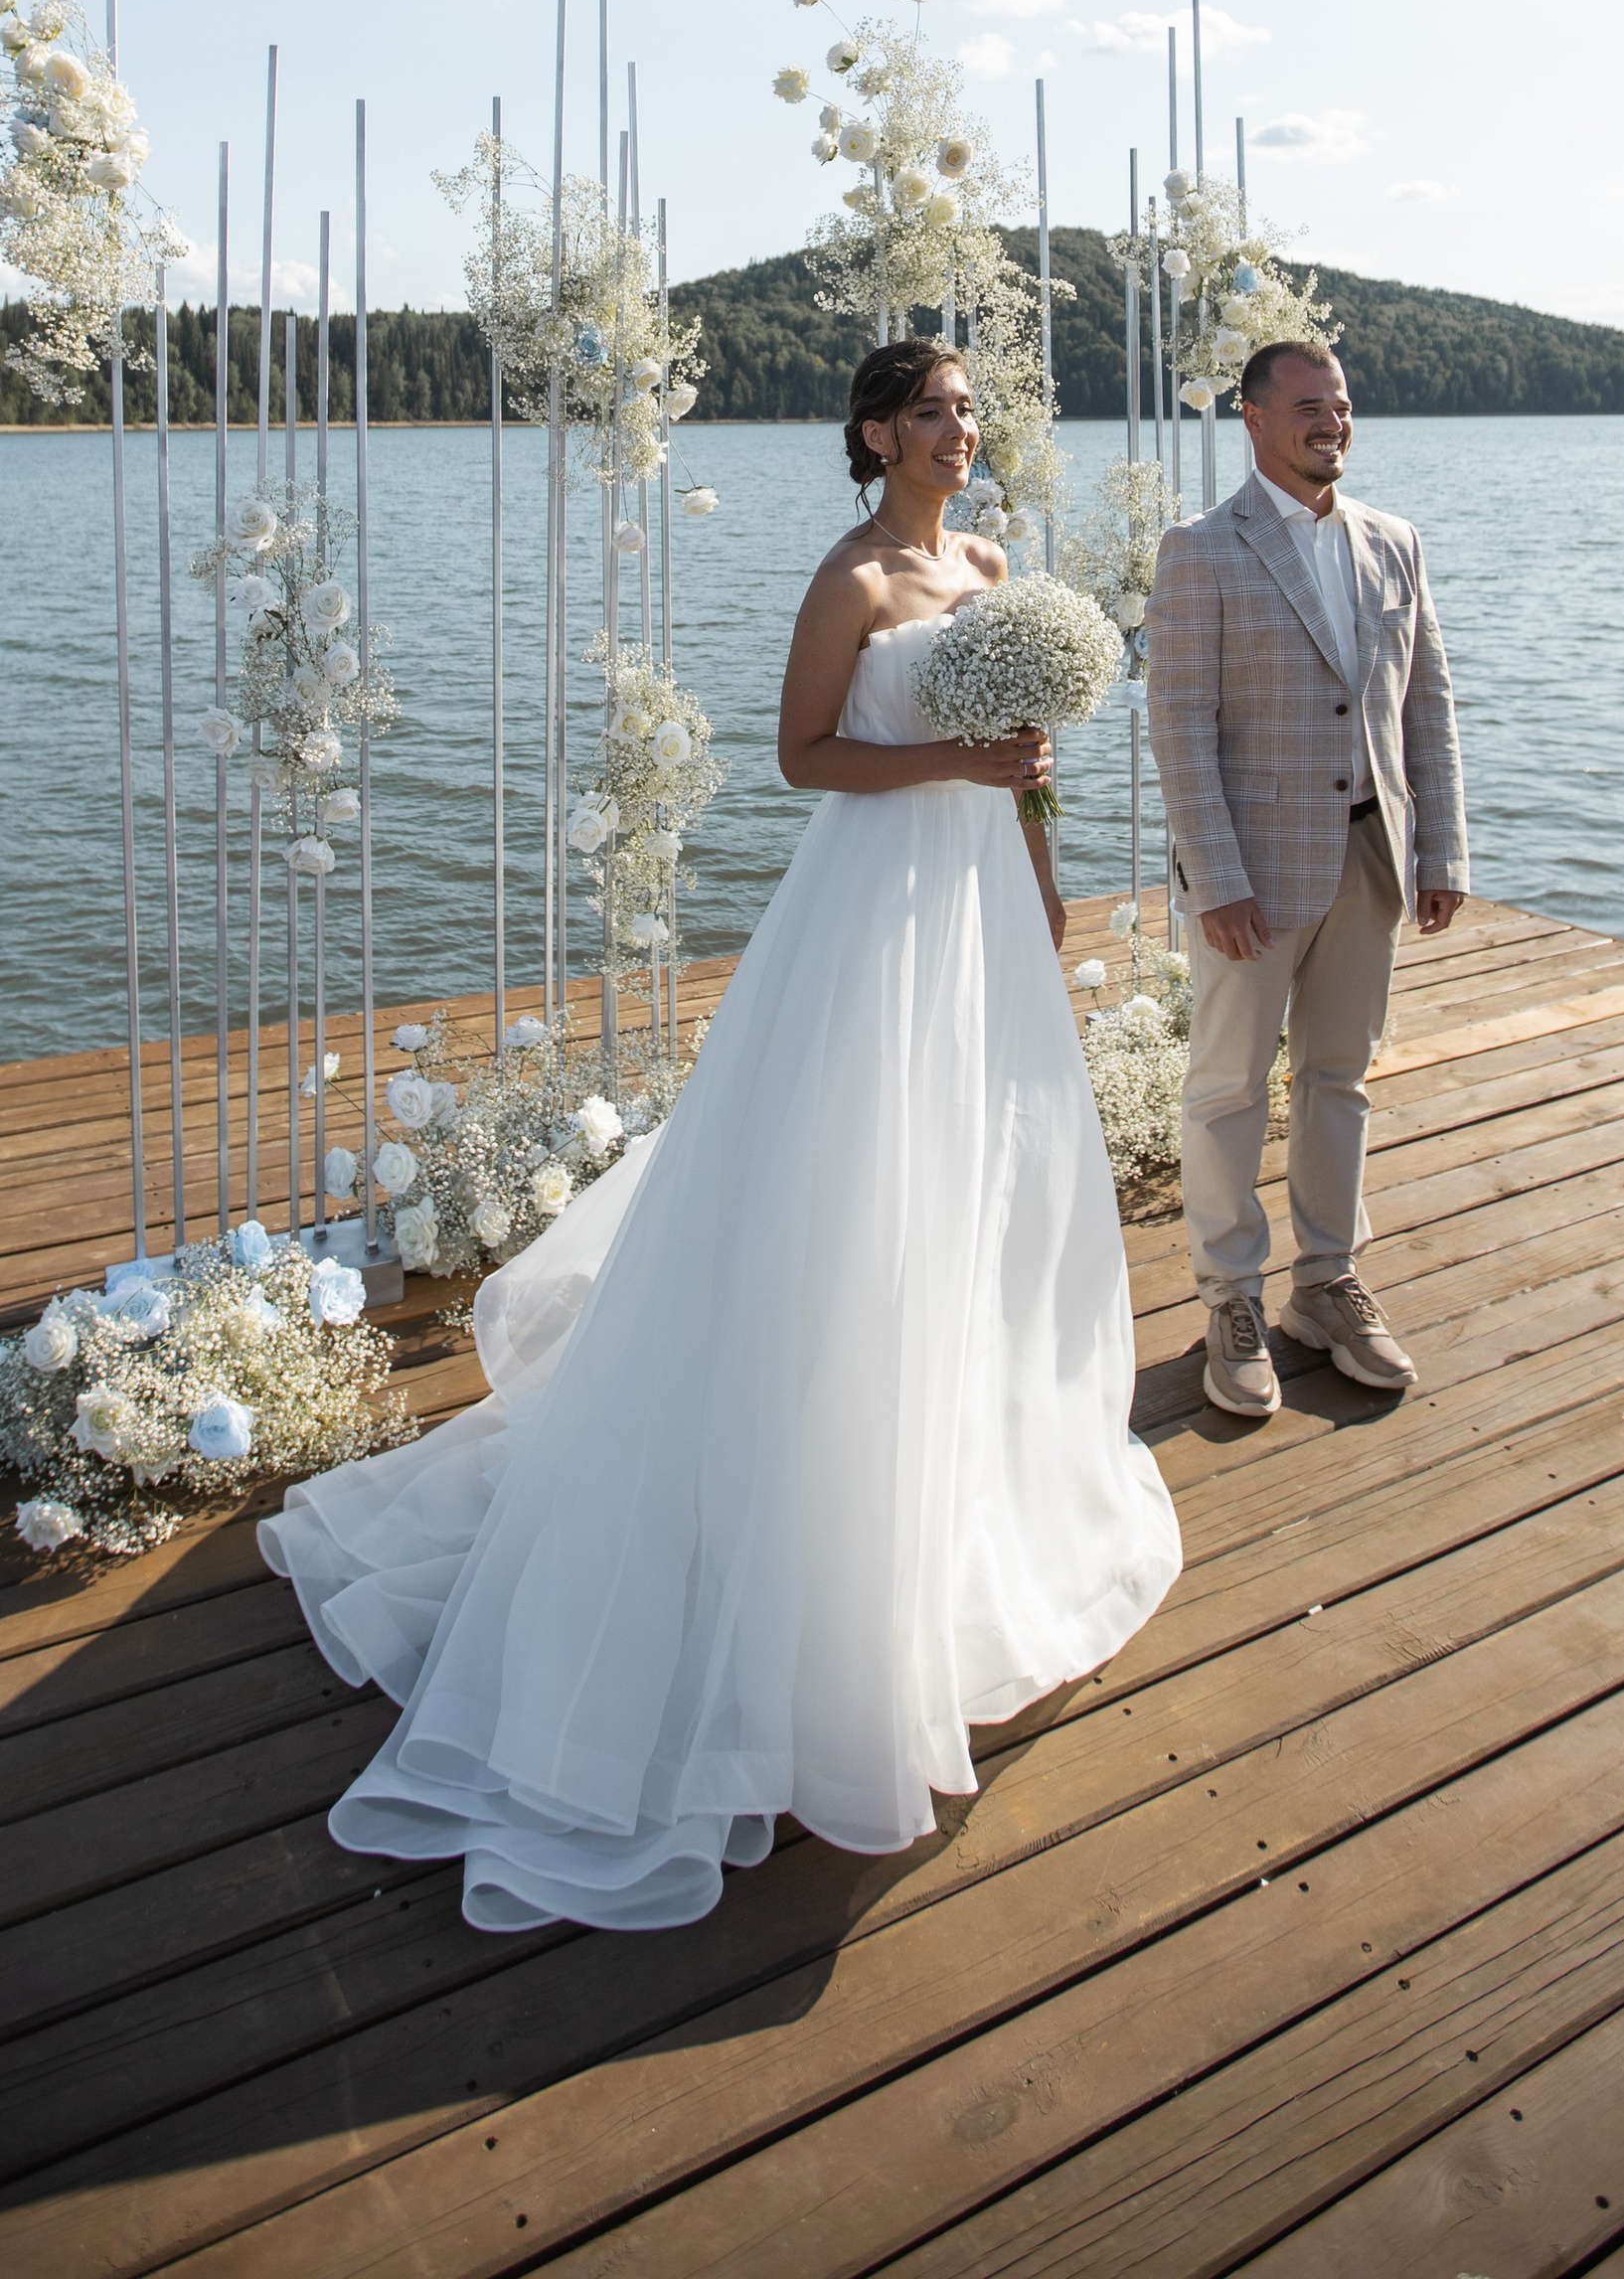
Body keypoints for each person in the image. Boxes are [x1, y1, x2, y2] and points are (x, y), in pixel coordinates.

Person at [260, 338, 1181, 1932]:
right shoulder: (851, 579)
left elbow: (1027, 771)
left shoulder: (999, 564)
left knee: (980, 1191)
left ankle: (958, 1486)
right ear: (879, 432)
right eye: (934, 411)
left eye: (971, 410)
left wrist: (1037, 869)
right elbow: (802, 755)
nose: (961, 430)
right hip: (872, 915)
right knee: (848, 1195)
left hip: (978, 907)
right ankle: (809, 1530)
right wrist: (957, 758)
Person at [1143, 339, 1468, 1419]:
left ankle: (1326, 1285)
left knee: (1340, 1079)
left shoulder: (1394, 542)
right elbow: (1180, 725)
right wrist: (1216, 877)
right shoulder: (1199, 550)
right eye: (1307, 406)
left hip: (1371, 862)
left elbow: (1425, 706)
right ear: (1251, 417)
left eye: (1340, 403)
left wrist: (1441, 852)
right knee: (1229, 1087)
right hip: (1253, 877)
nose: (1330, 421)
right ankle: (1229, 1296)